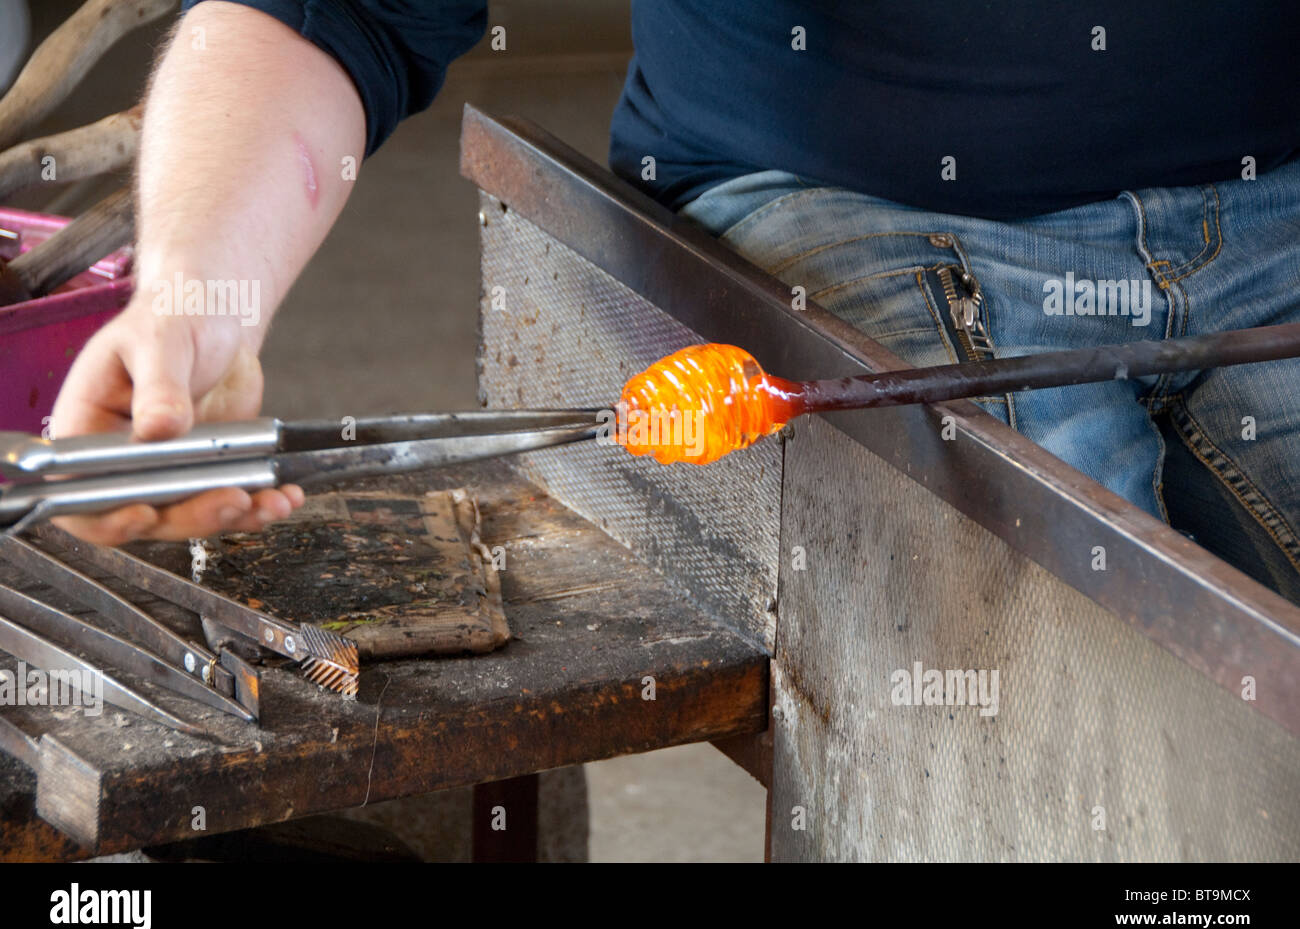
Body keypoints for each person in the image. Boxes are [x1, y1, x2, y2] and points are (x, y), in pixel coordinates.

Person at [48, 1, 1300, 601]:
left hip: (1276, 198)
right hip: (843, 206)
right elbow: (337, 11)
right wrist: (196, 297)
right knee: (1084, 683)